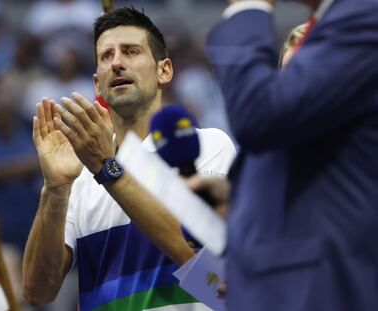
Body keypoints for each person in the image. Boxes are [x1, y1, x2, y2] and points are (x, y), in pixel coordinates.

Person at [22, 7, 236, 311]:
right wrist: (54, 188)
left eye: (131, 51)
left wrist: (106, 169)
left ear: (164, 70)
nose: (118, 63)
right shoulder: (79, 175)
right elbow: (38, 292)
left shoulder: (206, 145)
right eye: (106, 56)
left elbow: (209, 273)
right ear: (97, 84)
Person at [201, 0, 378, 310]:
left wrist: (247, 7)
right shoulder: (336, 25)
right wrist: (238, 199)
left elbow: (259, 116)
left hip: (323, 290)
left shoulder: (366, 15)